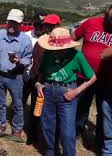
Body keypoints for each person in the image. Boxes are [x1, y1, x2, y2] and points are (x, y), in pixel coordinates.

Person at [36, 27, 97, 156]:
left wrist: (77, 91)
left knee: (68, 132)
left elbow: (92, 77)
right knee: (47, 127)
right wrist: (38, 84)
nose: (55, 51)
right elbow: (42, 73)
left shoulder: (76, 56)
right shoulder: (48, 54)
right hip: (48, 93)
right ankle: (50, 152)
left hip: (67, 95)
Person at [71, 5, 112, 154]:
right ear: (108, 9)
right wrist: (76, 60)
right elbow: (72, 39)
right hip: (84, 76)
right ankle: (75, 134)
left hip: (107, 80)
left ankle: (100, 142)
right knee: (81, 107)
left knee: (104, 112)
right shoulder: (91, 23)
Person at [0, 9, 32, 137]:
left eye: (15, 23)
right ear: (7, 21)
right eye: (10, 22)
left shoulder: (25, 40)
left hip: (16, 77)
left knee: (18, 105)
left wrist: (19, 61)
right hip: (0, 75)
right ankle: (1, 123)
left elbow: (28, 59)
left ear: (21, 24)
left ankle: (17, 128)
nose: (12, 25)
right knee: (0, 102)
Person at [21, 11, 47, 144]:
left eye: (41, 26)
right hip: (26, 75)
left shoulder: (48, 39)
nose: (39, 29)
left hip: (39, 78)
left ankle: (32, 134)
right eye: (37, 25)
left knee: (37, 107)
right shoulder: (25, 36)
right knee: (21, 102)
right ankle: (18, 126)